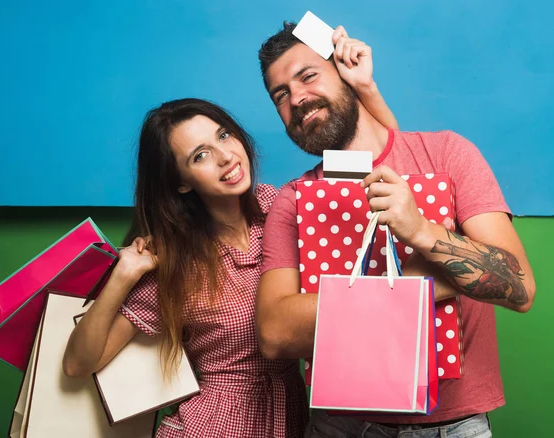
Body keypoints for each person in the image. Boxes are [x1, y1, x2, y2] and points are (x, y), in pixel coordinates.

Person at [62, 60, 397, 437]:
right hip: (212, 424)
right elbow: (78, 363)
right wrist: (123, 275)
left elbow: (389, 169)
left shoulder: (281, 207)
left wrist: (365, 88)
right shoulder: (175, 259)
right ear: (181, 183)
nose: (225, 157)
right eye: (199, 156)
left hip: (294, 419)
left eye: (223, 136)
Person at [255, 21, 536, 438]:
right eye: (281, 95)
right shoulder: (292, 200)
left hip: (454, 424)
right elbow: (276, 333)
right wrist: (426, 282)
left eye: (308, 75)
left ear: (344, 70)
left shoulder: (446, 155)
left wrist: (420, 230)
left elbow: (519, 287)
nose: (296, 98)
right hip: (341, 424)